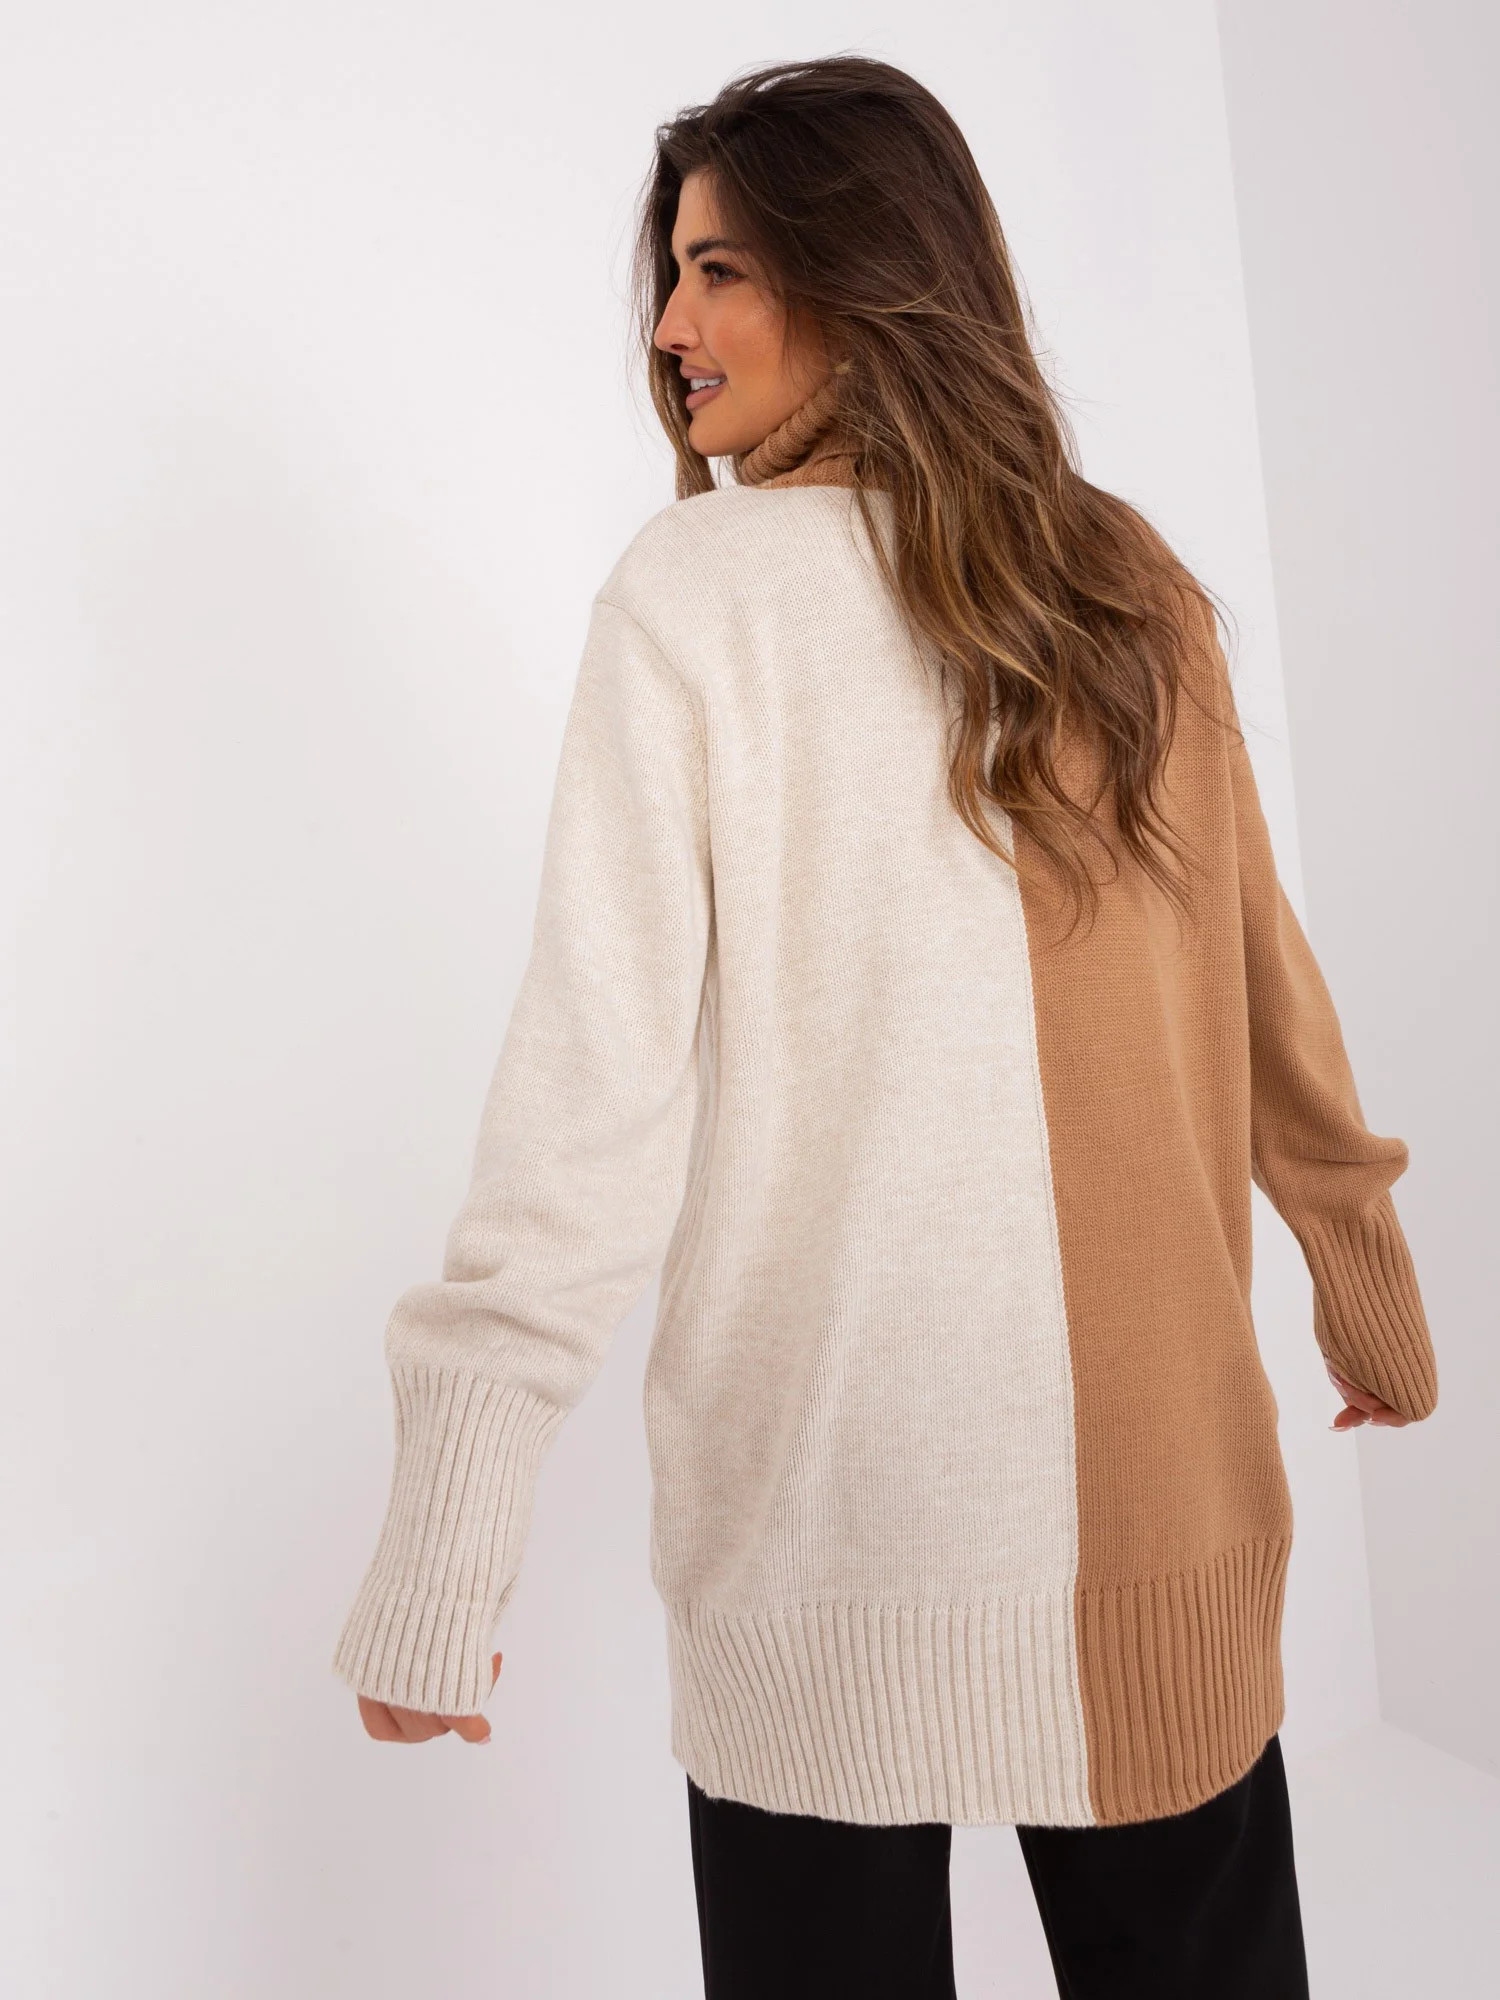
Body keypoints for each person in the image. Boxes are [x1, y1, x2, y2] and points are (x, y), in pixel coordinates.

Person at [332, 55, 1438, 1999]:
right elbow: (1270, 980)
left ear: (867, 276)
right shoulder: (1098, 580)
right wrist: (1358, 1262)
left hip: (851, 1545)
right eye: (671, 275)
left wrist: (447, 1541)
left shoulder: (759, 600)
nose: (669, 327)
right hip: (1112, 1520)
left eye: (723, 270)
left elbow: (589, 1105)